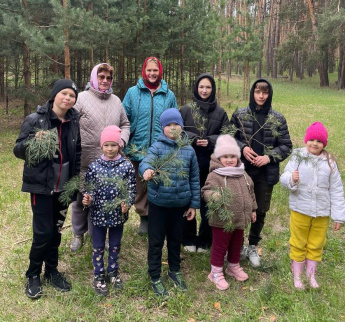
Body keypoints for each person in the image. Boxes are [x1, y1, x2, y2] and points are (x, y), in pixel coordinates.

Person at [13, 79, 81, 299]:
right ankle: (33, 274)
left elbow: (77, 153)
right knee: (43, 233)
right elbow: (18, 150)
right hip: (42, 187)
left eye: (72, 95)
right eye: (64, 93)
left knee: (56, 232)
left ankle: (52, 270)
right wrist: (34, 141)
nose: (68, 98)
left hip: (64, 188)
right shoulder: (35, 120)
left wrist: (75, 184)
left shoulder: (73, 122)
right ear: (54, 95)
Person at [229, 78, 292, 267]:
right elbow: (229, 137)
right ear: (252, 93)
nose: (261, 96)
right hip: (242, 171)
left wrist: (268, 157)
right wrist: (242, 148)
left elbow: (286, 146)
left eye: (265, 92)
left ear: (269, 94)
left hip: (265, 174)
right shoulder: (240, 115)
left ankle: (253, 245)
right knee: (240, 207)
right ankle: (237, 245)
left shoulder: (277, 119)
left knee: (261, 210)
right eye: (258, 92)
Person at [139, 109, 200, 297]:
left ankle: (175, 270)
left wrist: (193, 205)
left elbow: (194, 178)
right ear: (162, 128)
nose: (172, 128)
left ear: (182, 126)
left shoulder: (189, 150)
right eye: (168, 125)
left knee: (175, 240)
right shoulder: (157, 147)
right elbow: (145, 162)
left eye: (176, 124)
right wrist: (147, 170)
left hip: (180, 205)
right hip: (159, 204)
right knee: (156, 241)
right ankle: (155, 274)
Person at [70, 63, 130, 252]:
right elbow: (71, 124)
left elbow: (125, 124)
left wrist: (121, 141)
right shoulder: (81, 99)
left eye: (108, 78)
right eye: (101, 77)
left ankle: (97, 233)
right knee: (82, 198)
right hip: (85, 159)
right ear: (94, 78)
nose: (105, 81)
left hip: (110, 162)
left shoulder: (116, 101)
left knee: (104, 198)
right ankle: (78, 234)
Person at [280, 122, 345, 289]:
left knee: (316, 242)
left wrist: (338, 215)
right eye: (312, 139)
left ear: (324, 144)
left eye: (319, 141)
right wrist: (291, 179)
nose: (315, 143)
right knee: (298, 241)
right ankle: (298, 275)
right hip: (300, 209)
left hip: (322, 212)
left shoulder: (329, 162)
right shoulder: (298, 157)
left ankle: (311, 275)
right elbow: (284, 177)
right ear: (306, 140)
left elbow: (337, 189)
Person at [123, 57, 178, 235]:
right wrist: (125, 143)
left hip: (160, 149)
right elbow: (124, 119)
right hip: (137, 148)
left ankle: (157, 217)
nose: (152, 74)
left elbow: (174, 122)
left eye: (155, 70)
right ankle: (144, 217)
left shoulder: (168, 95)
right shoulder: (133, 93)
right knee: (141, 186)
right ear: (144, 71)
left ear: (160, 71)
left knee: (158, 186)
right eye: (149, 70)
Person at [82, 125, 136, 296]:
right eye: (106, 145)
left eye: (113, 145)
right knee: (97, 246)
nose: (110, 148)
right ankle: (99, 275)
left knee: (114, 245)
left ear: (119, 145)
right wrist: (88, 198)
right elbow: (89, 189)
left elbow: (131, 189)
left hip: (117, 216)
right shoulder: (94, 167)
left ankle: (113, 271)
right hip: (98, 215)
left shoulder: (126, 166)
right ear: (101, 146)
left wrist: (127, 203)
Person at [180, 73, 230, 253]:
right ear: (196, 88)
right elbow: (177, 131)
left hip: (212, 164)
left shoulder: (220, 112)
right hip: (189, 162)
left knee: (209, 200)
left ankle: (205, 239)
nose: (204, 90)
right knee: (189, 198)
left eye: (208, 87)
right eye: (201, 87)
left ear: (213, 89)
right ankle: (188, 238)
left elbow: (227, 134)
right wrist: (193, 139)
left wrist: (210, 140)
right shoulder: (186, 110)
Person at [202, 135, 257, 290]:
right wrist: (213, 196)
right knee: (220, 246)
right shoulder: (215, 174)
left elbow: (251, 192)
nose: (230, 160)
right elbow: (206, 191)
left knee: (236, 244)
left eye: (233, 156)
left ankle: (233, 266)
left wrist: (253, 209)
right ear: (219, 157)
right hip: (222, 220)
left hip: (240, 218)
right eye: (225, 156)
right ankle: (215, 272)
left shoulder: (243, 173)